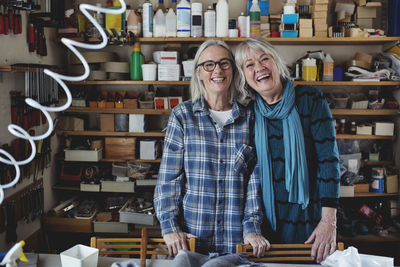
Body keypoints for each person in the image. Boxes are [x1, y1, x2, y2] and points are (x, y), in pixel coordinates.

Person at [154, 39, 269, 263]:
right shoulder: (182, 116)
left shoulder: (251, 119)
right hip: (191, 241)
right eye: (209, 65)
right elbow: (169, 180)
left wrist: (252, 228)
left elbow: (256, 182)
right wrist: (169, 227)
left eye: (224, 63)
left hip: (236, 245)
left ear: (234, 71)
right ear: (198, 73)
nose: (217, 70)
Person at [235, 38, 340, 263]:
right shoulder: (249, 114)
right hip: (267, 229)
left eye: (265, 59)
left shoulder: (311, 99)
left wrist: (328, 222)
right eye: (249, 65)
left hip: (312, 223)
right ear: (244, 77)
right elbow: (248, 177)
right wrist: (251, 228)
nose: (259, 68)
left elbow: (329, 161)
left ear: (277, 63)